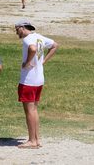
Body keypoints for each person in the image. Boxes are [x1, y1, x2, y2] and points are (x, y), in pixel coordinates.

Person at [15, 20, 59, 149]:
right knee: (34, 110)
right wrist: (43, 61)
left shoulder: (27, 39)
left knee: (29, 111)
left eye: (17, 29)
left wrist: (27, 62)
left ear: (22, 28)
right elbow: (55, 45)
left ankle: (32, 140)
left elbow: (32, 49)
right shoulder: (39, 37)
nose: (16, 32)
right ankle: (37, 138)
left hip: (28, 80)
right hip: (39, 79)